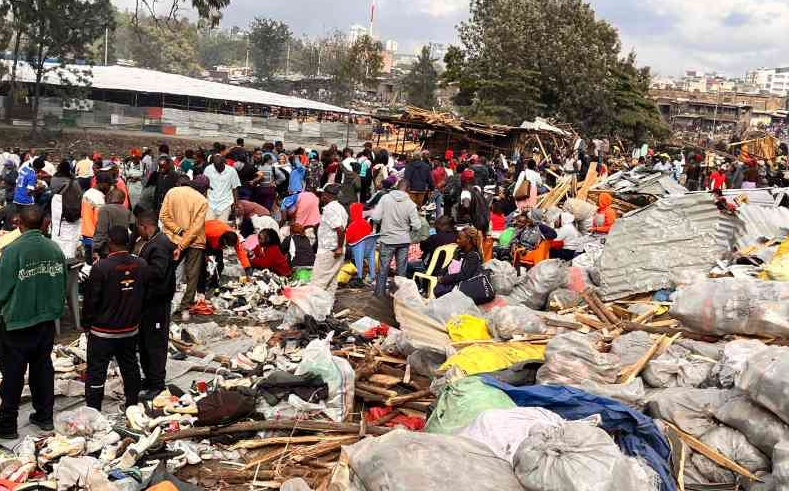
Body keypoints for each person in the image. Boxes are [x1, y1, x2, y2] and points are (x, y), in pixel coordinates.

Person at [0, 206, 66, 438]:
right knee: (42, 367)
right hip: (46, 321)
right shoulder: (55, 249)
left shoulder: (12, 251)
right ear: (44, 224)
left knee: (13, 374)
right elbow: (63, 283)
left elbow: (2, 289)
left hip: (18, 322)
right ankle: (45, 416)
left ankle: (8, 425)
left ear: (19, 224)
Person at [82, 226, 146, 411]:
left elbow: (90, 301)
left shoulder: (101, 267)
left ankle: (94, 411)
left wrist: (87, 326)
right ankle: (132, 404)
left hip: (103, 332)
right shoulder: (141, 264)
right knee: (130, 367)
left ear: (109, 243)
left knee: (96, 372)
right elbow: (145, 294)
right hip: (129, 330)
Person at [134, 211, 176, 398]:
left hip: (157, 303)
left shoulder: (158, 245)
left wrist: (136, 267)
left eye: (138, 227)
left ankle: (157, 383)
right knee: (144, 342)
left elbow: (158, 272)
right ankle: (150, 378)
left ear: (145, 226)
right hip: (148, 302)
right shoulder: (157, 242)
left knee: (155, 344)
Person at [160, 176, 208, 322]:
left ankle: (165, 303)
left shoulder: (172, 192)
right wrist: (184, 243)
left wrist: (179, 232)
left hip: (173, 239)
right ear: (204, 189)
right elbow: (196, 227)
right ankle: (185, 308)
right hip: (194, 242)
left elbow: (163, 216)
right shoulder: (202, 201)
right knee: (192, 275)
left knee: (168, 271)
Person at [370, 179, 421, 298]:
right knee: (401, 272)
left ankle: (379, 296)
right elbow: (417, 225)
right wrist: (407, 228)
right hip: (403, 240)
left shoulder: (385, 198)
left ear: (397, 186)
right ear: (408, 189)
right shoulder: (410, 204)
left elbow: (376, 218)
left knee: (383, 270)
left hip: (387, 239)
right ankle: (399, 297)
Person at [311, 184, 348, 294]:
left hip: (330, 250)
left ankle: (315, 309)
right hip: (335, 249)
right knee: (331, 281)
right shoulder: (340, 208)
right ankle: (327, 307)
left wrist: (339, 247)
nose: (321, 196)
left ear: (326, 195)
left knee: (317, 282)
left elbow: (340, 229)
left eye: (322, 194)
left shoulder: (330, 209)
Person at [434, 226, 485, 298]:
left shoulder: (473, 255)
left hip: (464, 286)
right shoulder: (459, 251)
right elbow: (451, 265)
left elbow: (464, 275)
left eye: (459, 239)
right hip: (452, 280)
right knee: (438, 289)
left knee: (440, 291)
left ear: (468, 240)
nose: (457, 241)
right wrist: (441, 274)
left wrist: (444, 279)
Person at [204, 219, 252, 290]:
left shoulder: (235, 238)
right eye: (226, 246)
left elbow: (241, 253)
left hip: (217, 242)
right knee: (201, 263)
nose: (226, 249)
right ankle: (202, 283)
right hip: (204, 239)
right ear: (223, 240)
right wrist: (205, 255)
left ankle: (214, 284)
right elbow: (197, 239)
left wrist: (247, 269)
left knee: (220, 264)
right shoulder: (211, 232)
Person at [81, 172, 112, 264]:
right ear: (102, 184)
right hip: (94, 238)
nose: (110, 187)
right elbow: (94, 220)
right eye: (109, 185)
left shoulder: (92, 194)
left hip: (92, 236)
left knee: (94, 264)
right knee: (95, 265)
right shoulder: (94, 197)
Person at [92, 188, 133, 259]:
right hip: (123, 249)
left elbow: (101, 231)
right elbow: (133, 228)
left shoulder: (104, 209)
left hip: (107, 250)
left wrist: (95, 248)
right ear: (122, 199)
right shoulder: (127, 211)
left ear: (109, 197)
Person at [204, 154, 241, 222]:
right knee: (208, 224)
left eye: (220, 166)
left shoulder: (231, 171)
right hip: (210, 202)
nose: (218, 168)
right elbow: (205, 185)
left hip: (225, 203)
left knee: (222, 226)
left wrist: (236, 205)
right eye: (216, 166)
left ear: (224, 163)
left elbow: (235, 188)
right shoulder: (208, 169)